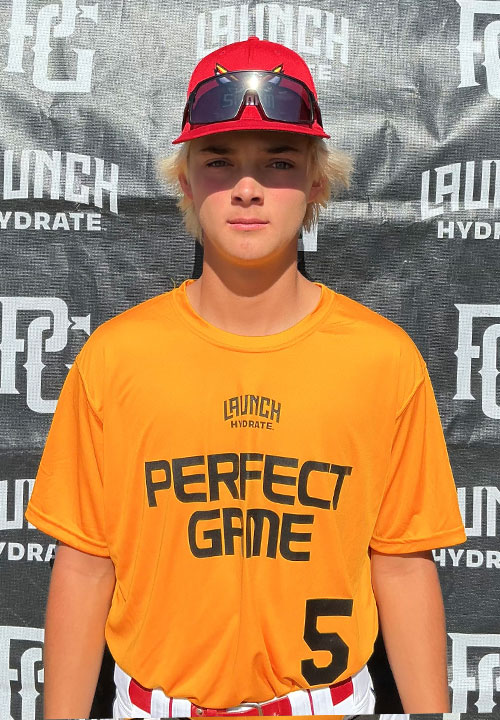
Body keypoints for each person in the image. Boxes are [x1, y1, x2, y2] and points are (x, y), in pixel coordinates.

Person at [25, 36, 467, 719]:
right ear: (185, 180)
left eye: (279, 162)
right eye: (219, 161)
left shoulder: (382, 359)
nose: (248, 188)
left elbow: (402, 563)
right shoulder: (115, 358)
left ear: (318, 181)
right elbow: (85, 564)